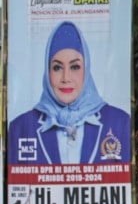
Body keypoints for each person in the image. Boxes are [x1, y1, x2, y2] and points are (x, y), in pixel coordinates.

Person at [8, 21, 130, 165]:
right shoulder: (21, 127)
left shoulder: (119, 122)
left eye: (75, 67)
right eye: (57, 68)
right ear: (47, 73)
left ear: (87, 69)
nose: (66, 78)